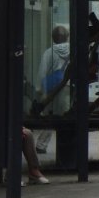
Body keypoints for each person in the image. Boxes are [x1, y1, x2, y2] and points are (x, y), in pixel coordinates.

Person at [34, 25, 71, 153]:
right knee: (64, 115)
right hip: (66, 88)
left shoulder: (49, 52)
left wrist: (39, 88)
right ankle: (66, 144)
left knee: (50, 116)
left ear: (53, 38)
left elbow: (42, 72)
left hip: (51, 89)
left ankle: (41, 144)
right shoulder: (72, 50)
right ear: (67, 37)